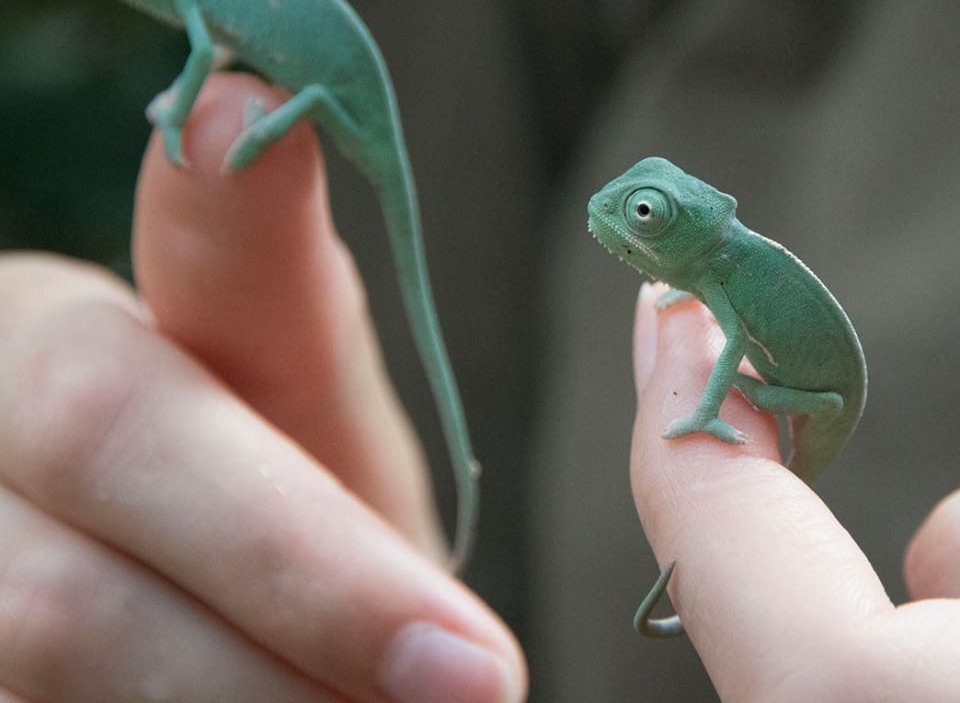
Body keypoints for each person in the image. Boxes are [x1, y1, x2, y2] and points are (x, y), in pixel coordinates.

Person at [2, 73, 960, 703]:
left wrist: (718, 406)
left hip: (821, 397)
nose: (624, 220)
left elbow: (739, 340)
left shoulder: (723, 267)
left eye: (644, 213)